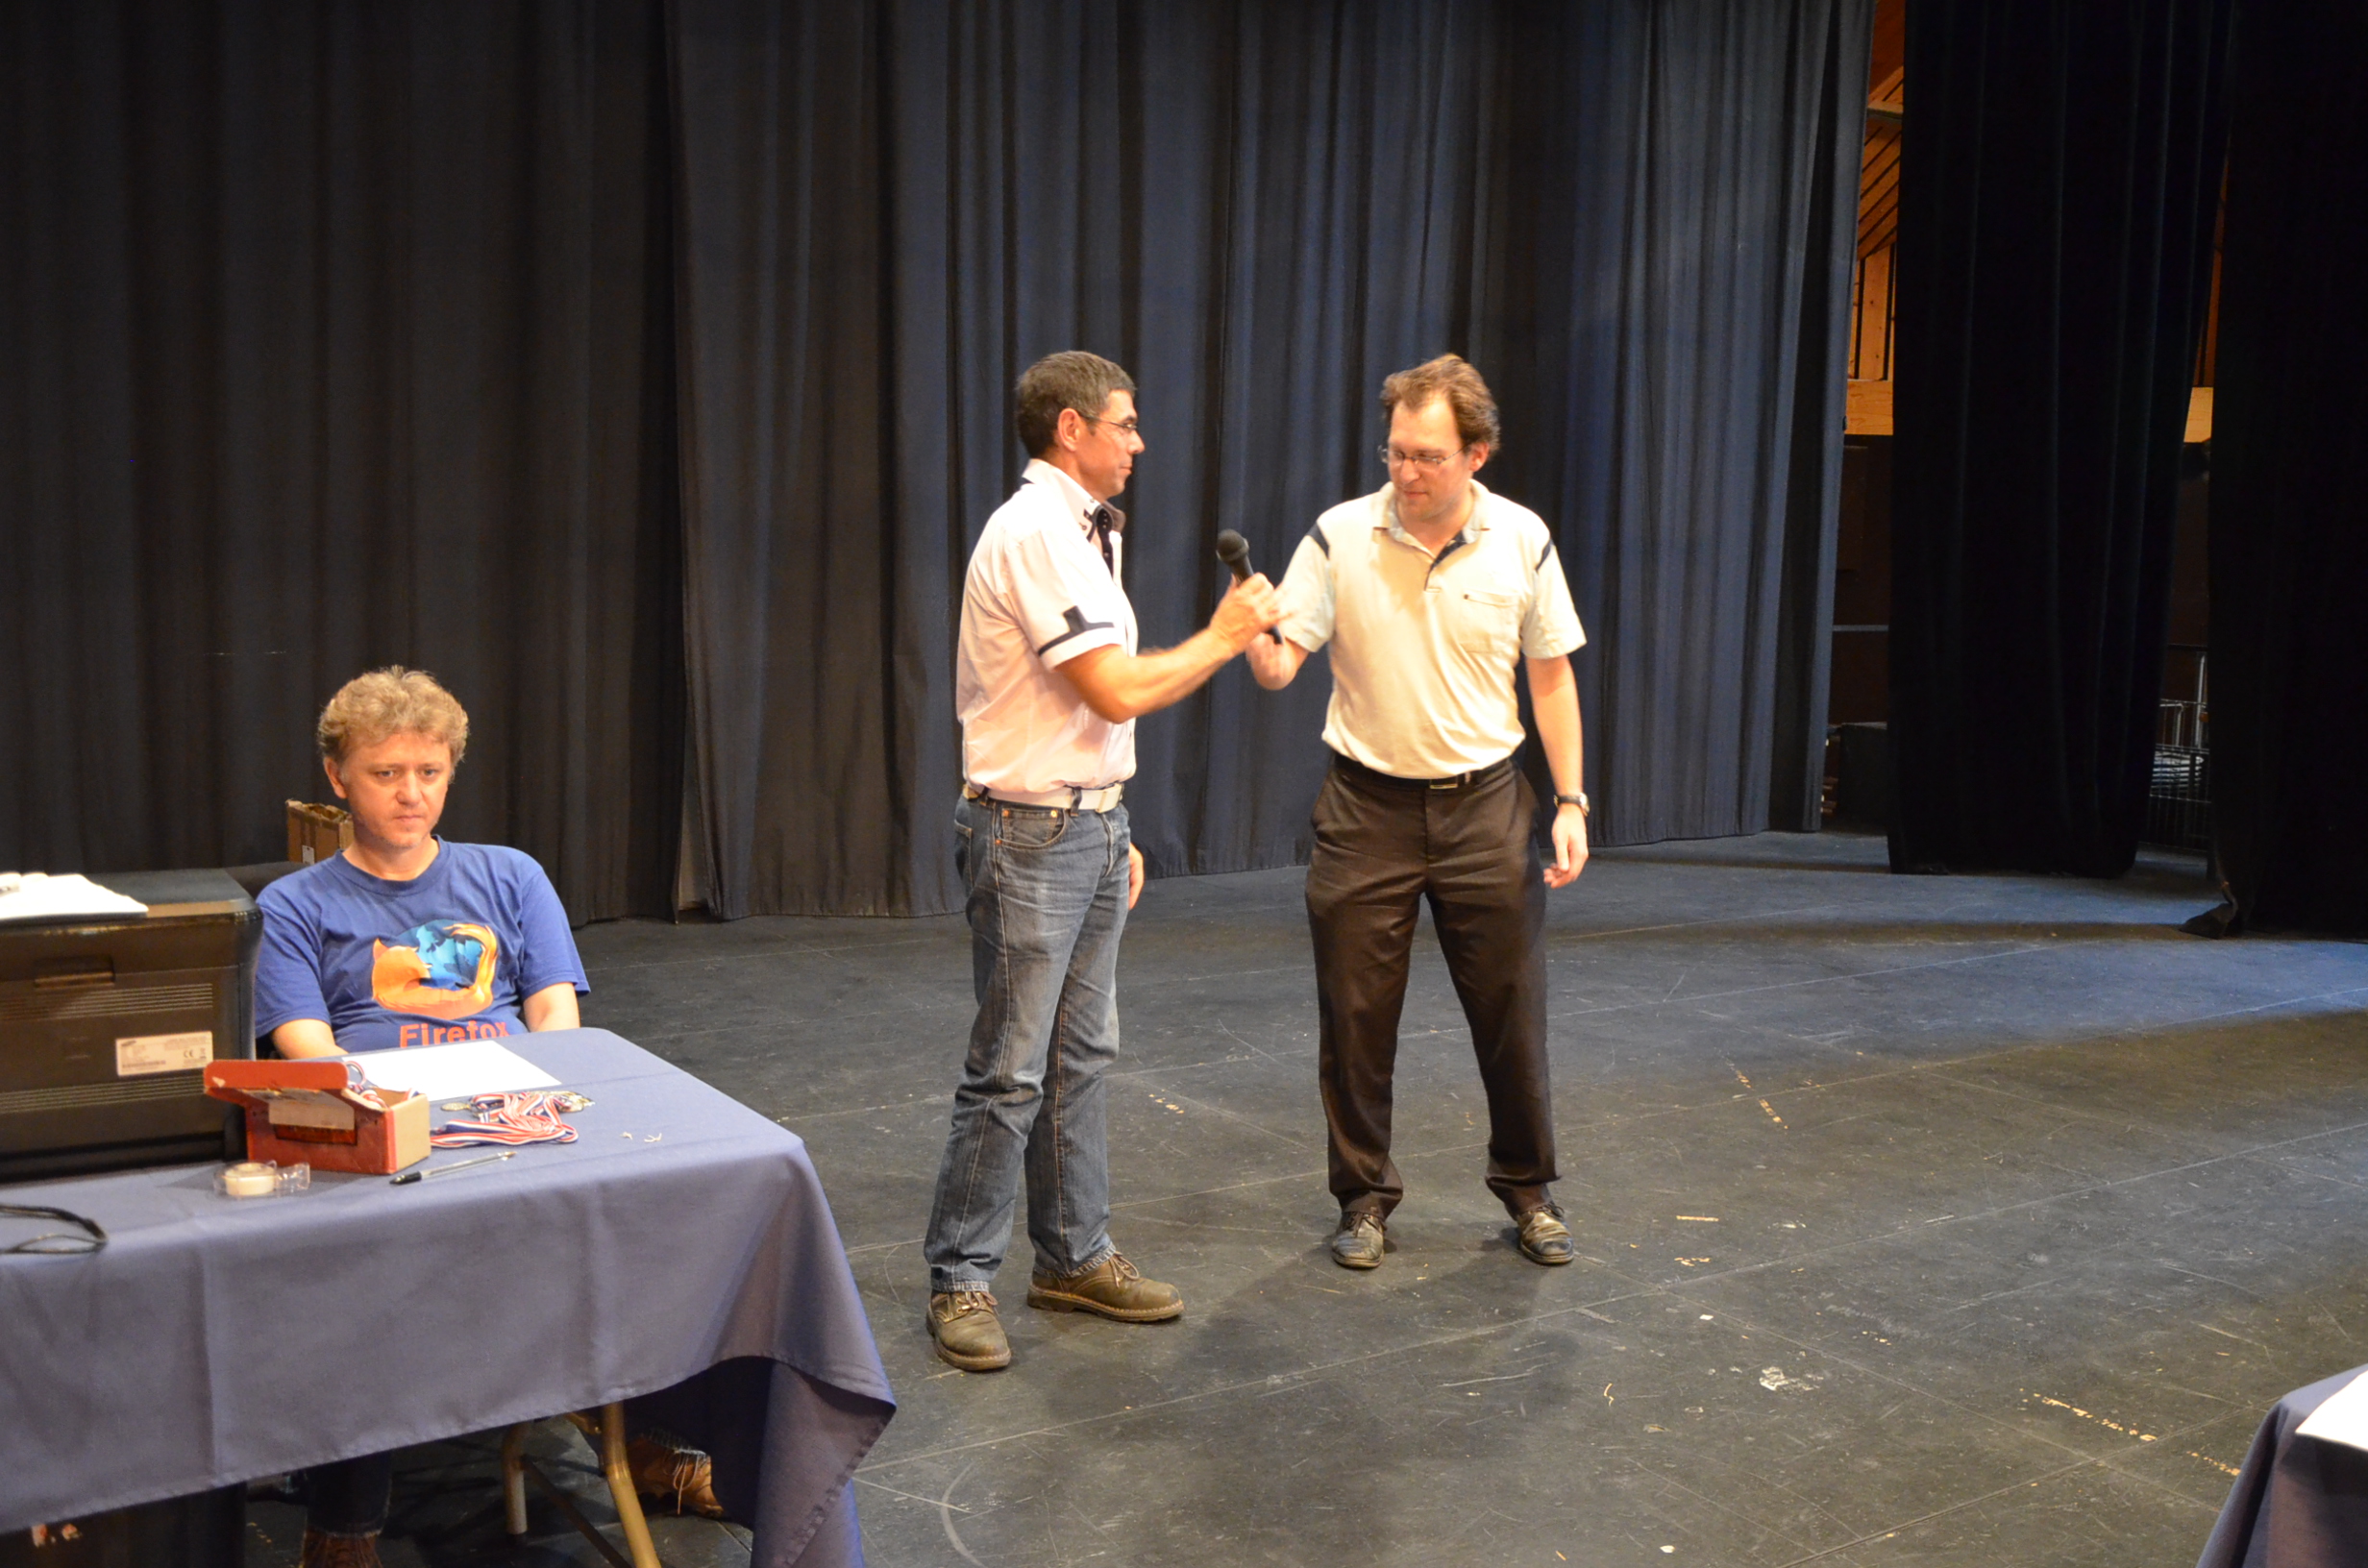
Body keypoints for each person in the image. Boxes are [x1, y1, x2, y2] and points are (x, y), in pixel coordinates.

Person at [253, 667, 715, 1566]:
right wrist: (395, 1108)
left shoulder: (510, 875)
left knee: (648, 1218)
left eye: (429, 772)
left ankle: (638, 1433)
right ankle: (344, 1522)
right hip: (385, 1127)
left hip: (515, 1111)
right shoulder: (295, 904)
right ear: (339, 777)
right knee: (350, 1261)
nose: (411, 793)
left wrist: (536, 1095)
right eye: (386, 773)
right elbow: (307, 1052)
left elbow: (555, 1015)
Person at [923, 351, 1282, 1372]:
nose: (1138, 442)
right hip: (1030, 835)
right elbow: (1114, 690)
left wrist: (1108, 823)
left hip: (1080, 828)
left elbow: (1089, 715)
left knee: (1079, 1059)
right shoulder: (1036, 531)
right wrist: (1224, 635)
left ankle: (1072, 1256)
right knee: (1009, 1072)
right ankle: (959, 1277)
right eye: (1124, 424)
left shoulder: (1086, 531)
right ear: (1071, 429)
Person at [1246, 355, 1591, 1272]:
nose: (1406, 471)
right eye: (1396, 452)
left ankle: (1528, 1189)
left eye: (1428, 456)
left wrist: (1571, 799)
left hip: (1488, 807)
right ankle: (1362, 1198)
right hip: (1367, 809)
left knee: (1511, 1011)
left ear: (1477, 453)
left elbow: (1551, 676)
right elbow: (1282, 664)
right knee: (1355, 1016)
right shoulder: (1339, 535)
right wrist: (1257, 640)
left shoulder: (1522, 537)